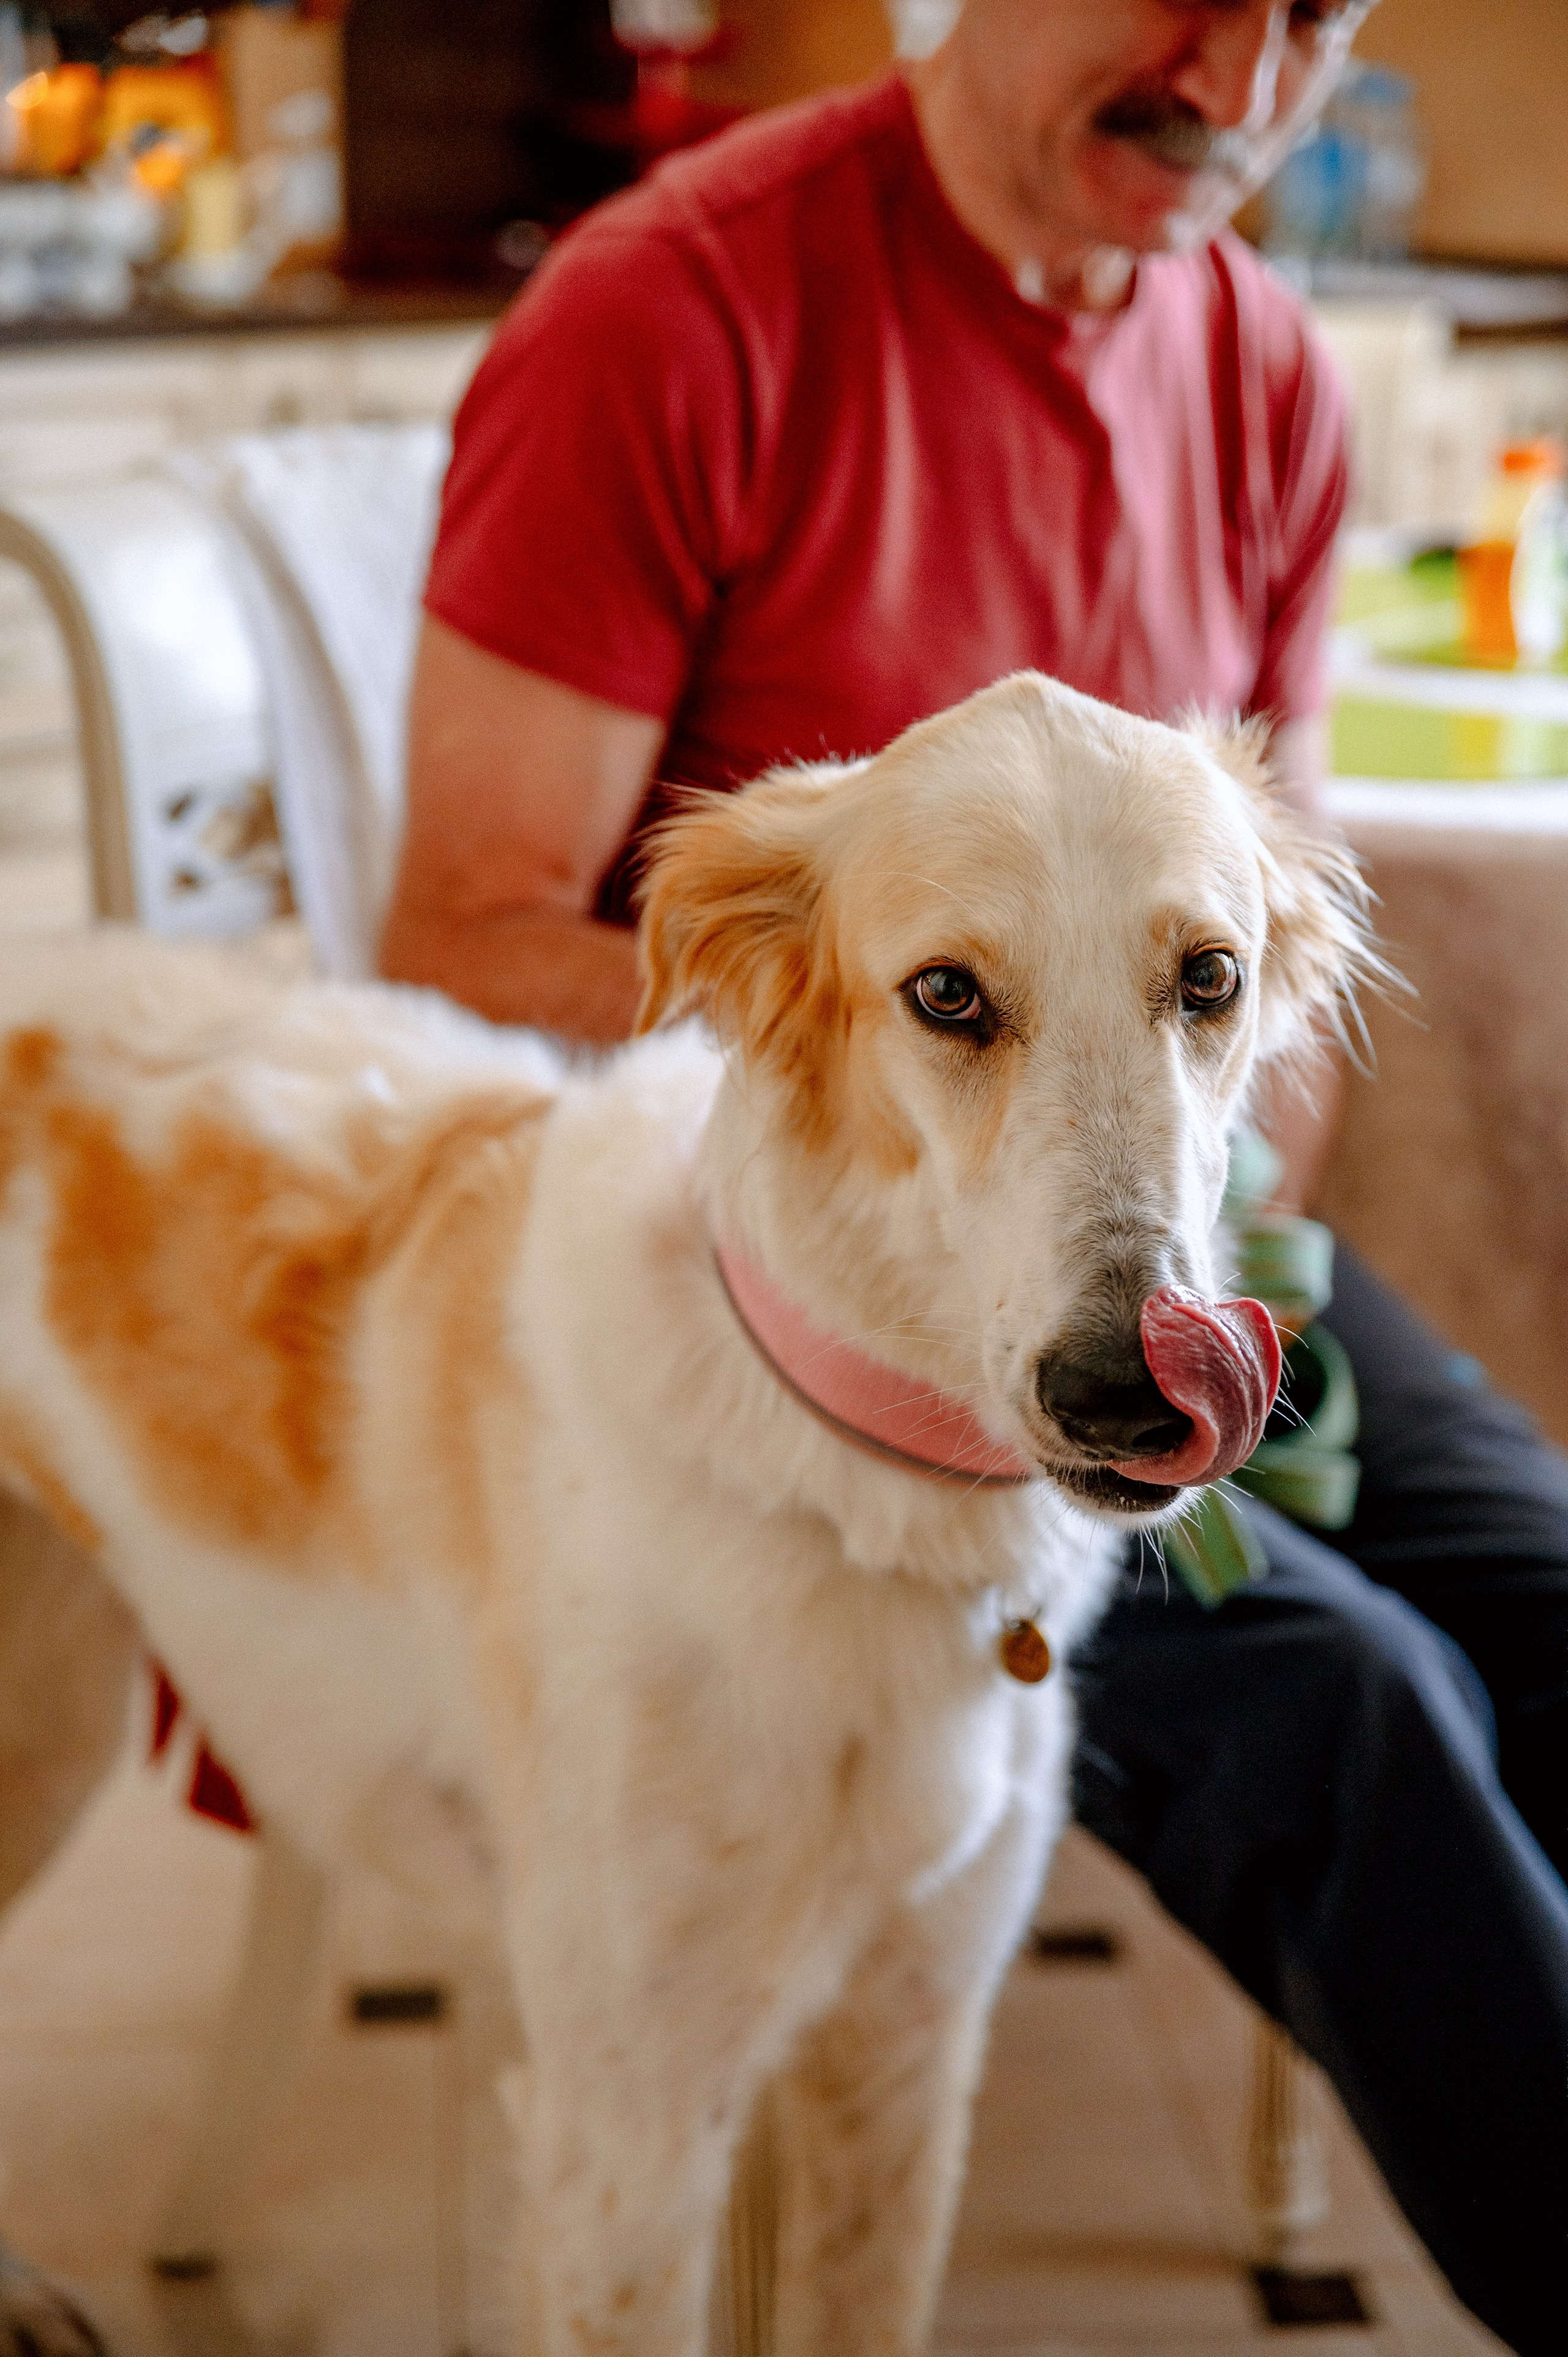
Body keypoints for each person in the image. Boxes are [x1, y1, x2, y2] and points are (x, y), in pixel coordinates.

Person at [380, 4, 1568, 2347]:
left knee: (1545, 1595)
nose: (1242, 80)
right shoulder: (675, 314)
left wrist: (1196, 1208)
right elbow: (458, 931)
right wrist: (879, 1017)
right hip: (835, 1335)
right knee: (1361, 1715)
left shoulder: (1263, 364)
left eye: (1313, 13)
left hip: (1216, 1254)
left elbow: (1278, 951)